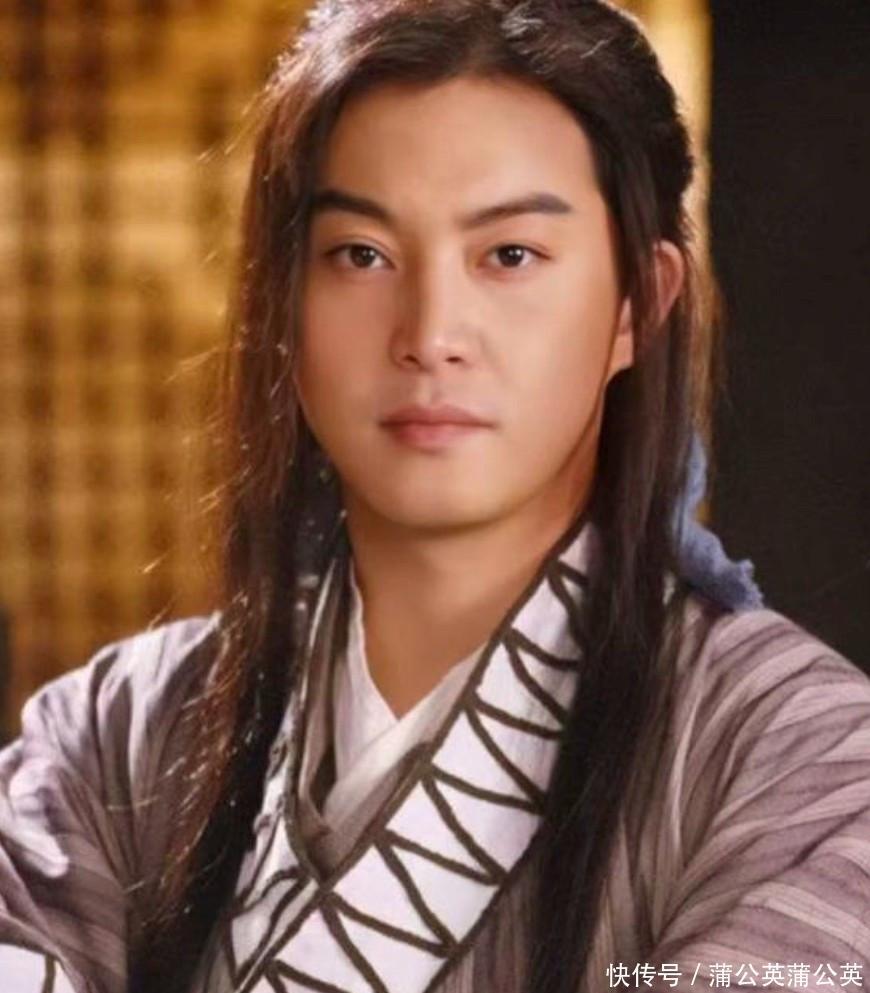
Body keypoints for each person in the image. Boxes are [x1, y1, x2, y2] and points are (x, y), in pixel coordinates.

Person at [1, 1, 868, 992]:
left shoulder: (807, 763)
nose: (429, 334)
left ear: (640, 301)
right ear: (284, 300)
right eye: (360, 255)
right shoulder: (115, 738)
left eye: (509, 255)